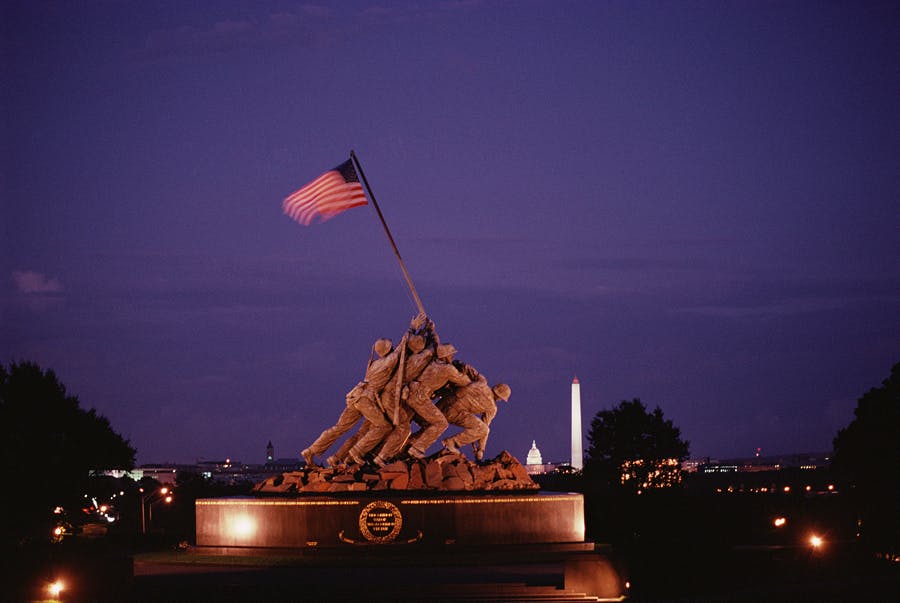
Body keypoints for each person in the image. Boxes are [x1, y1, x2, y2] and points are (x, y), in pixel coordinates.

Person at [301, 315, 424, 466]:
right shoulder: (387, 363)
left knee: (339, 428)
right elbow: (402, 347)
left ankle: (311, 450)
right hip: (366, 399)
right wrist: (412, 327)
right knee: (383, 426)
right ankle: (357, 451)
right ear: (388, 350)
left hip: (355, 396)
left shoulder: (374, 363)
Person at [400, 343, 470, 459]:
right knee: (441, 423)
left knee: (428, 424)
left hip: (413, 394)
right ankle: (417, 448)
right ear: (446, 356)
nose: (452, 357)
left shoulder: (432, 363)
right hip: (419, 396)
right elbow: (465, 382)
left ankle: (408, 445)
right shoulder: (447, 369)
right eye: (451, 355)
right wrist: (465, 370)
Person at [437, 365, 511, 461]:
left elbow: (467, 367)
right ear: (500, 397)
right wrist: (481, 449)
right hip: (452, 413)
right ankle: (451, 442)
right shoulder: (492, 408)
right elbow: (484, 428)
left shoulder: (482, 382)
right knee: (484, 429)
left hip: (444, 402)